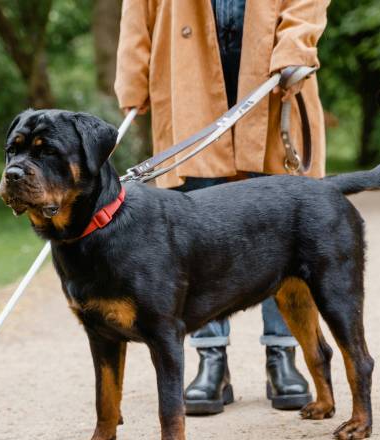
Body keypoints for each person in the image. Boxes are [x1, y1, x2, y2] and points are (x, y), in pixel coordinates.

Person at [114, 0, 329, 415]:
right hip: (186, 80)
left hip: (273, 83)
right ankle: (211, 359)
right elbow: (137, 13)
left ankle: (282, 356)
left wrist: (295, 49)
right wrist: (133, 82)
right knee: (196, 232)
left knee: (281, 229)